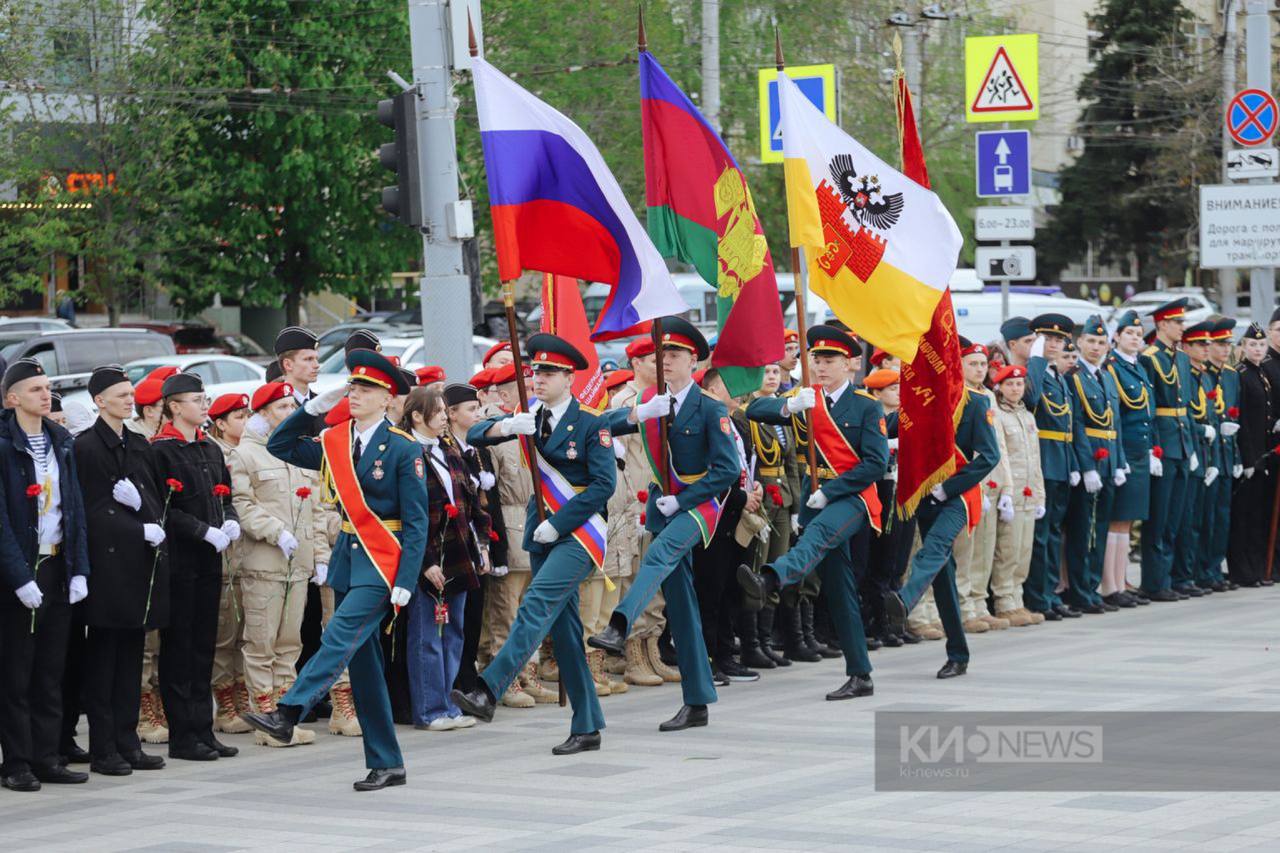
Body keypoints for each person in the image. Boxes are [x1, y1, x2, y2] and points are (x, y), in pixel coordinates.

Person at [244, 348, 428, 791]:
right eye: (352, 387)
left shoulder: (403, 448)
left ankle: (288, 711)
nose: (355, 394)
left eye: (366, 389)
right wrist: (310, 410)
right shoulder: (335, 440)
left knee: (337, 635)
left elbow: (418, 520)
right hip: (349, 557)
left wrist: (406, 580)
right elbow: (280, 446)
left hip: (383, 562)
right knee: (364, 671)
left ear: (387, 398)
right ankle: (388, 762)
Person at [451, 333, 615, 754]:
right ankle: (587, 724)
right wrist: (506, 425)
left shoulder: (591, 423)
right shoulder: (529, 416)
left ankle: (490, 687)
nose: (538, 379)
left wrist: (559, 523)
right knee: (564, 631)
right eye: (536, 371)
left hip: (578, 533)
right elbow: (474, 435)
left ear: (569, 378)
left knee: (536, 603)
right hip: (539, 530)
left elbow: (602, 486)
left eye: (548, 373)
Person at [585, 318, 738, 731]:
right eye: (662, 354)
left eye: (675, 355)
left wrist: (683, 499)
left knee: (659, 553)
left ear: (694, 360)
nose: (665, 361)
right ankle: (698, 700)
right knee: (683, 606)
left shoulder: (709, 407)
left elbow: (727, 470)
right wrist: (636, 412)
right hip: (661, 507)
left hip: (698, 505)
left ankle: (620, 624)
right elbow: (598, 427)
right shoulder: (652, 400)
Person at [739, 325, 887, 700]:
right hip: (814, 498)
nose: (820, 367)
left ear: (850, 364)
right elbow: (754, 409)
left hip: (854, 499)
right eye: (816, 360)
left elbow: (874, 463)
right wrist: (788, 406)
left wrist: (833, 491)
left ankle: (771, 579)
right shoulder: (805, 399)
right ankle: (860, 675)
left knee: (819, 537)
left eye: (830, 360)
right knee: (840, 592)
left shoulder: (867, 406)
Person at [0, 358, 92, 791]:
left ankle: (46, 756)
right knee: (17, 671)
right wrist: (19, 577)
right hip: (19, 570)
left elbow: (72, 507)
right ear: (12, 398)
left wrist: (79, 568)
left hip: (56, 565)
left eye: (47, 387)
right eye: (35, 388)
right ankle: (17, 761)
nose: (45, 394)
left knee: (51, 669)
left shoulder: (60, 442)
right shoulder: (4, 444)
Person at [74, 366, 170, 777]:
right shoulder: (87, 447)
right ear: (99, 400)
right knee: (104, 661)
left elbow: (152, 497)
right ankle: (104, 747)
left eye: (131, 393)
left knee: (132, 658)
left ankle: (128, 742)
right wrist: (135, 526)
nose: (130, 400)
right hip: (107, 566)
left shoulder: (137, 443)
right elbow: (91, 511)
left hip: (137, 564)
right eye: (120, 395)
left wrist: (146, 519)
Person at [885, 359, 1001, 679]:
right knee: (943, 577)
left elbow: (990, 456)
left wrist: (948, 488)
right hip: (924, 495)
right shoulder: (919, 399)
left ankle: (906, 600)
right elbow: (885, 427)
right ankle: (958, 654)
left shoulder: (976, 403)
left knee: (934, 548)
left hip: (958, 495)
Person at [227, 382, 327, 747]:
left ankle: (285, 716)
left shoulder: (296, 452)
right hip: (264, 562)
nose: (289, 412)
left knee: (290, 644)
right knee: (261, 643)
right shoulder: (245, 455)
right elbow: (242, 504)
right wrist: (276, 532)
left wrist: (318, 555)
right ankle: (263, 716)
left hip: (296, 564)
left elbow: (316, 508)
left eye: (290, 406)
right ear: (264, 412)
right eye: (282, 407)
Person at [150, 372, 242, 762]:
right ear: (174, 406)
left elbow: (225, 494)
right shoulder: (161, 451)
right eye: (196, 399)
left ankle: (204, 730)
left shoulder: (209, 449)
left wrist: (230, 518)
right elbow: (161, 509)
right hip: (181, 561)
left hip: (209, 560)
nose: (204, 405)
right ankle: (183, 736)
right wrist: (203, 530)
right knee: (179, 649)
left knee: (204, 645)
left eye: (205, 399)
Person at [398, 385, 492, 730]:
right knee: (427, 635)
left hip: (459, 553)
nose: (443, 418)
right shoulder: (407, 452)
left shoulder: (448, 450)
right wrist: (424, 562)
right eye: (437, 412)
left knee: (454, 633)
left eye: (443, 411)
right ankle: (429, 709)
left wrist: (481, 544)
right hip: (430, 558)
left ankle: (449, 705)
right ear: (416, 417)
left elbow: (473, 502)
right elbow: (409, 514)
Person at [607, 335, 680, 685]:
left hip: (660, 500)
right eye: (654, 360)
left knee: (657, 582)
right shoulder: (624, 401)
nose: (661, 366)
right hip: (633, 504)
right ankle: (634, 655)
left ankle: (652, 649)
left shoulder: (661, 400)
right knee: (636, 579)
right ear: (636, 363)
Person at [124, 365, 177, 745]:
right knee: (145, 642)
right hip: (138, 550)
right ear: (149, 409)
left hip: (168, 549)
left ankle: (156, 698)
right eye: (163, 405)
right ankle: (145, 706)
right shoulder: (139, 442)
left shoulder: (165, 440)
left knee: (161, 638)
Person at [695, 368, 758, 684]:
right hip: (714, 519)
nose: (737, 390)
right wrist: (739, 497)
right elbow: (709, 475)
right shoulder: (704, 423)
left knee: (733, 591)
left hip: (737, 521)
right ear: (711, 388)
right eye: (728, 385)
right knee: (710, 594)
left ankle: (726, 654)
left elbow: (744, 466)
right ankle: (706, 658)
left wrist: (753, 490)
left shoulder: (737, 425)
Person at [1062, 316, 1126, 614]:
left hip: (1109, 459)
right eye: (1090, 341)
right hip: (1090, 459)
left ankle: (1091, 586)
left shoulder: (1107, 376)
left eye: (1101, 342)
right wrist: (1086, 466)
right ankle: (1079, 590)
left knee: (1099, 527)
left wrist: (1120, 462)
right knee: (1082, 529)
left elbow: (1116, 423)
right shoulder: (1074, 377)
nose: (1096, 347)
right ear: (1079, 343)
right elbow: (1076, 424)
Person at [1023, 314, 1084, 620]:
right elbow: (1030, 397)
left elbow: (1068, 423)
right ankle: (1038, 598)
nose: (1055, 345)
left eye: (1059, 340)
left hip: (1060, 461)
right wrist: (1034, 361)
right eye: (1048, 339)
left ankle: (1050, 592)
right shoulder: (1035, 372)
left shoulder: (1058, 376)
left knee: (1054, 533)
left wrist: (1073, 463)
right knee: (1040, 534)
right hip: (1043, 461)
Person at [1138, 298, 1198, 602]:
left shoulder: (1182, 358)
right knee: (1159, 517)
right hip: (1163, 440)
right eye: (1178, 323)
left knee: (1176, 515)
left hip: (1182, 439)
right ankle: (1154, 581)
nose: (1182, 328)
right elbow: (1148, 407)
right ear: (1162, 324)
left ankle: (1174, 576)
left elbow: (1184, 403)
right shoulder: (1149, 358)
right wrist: (1152, 448)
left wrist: (1192, 445)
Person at [952, 339, 1013, 633]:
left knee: (984, 550)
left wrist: (1007, 487)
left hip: (990, 484)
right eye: (972, 364)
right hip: (968, 484)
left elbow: (999, 446)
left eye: (982, 364)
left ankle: (978, 603)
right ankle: (963, 607)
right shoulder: (959, 396)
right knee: (965, 551)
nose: (979, 369)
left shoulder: (987, 396)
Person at [742, 362, 800, 667]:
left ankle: (765, 640)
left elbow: (790, 465)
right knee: (756, 570)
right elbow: (749, 462)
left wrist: (796, 508)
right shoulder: (748, 414)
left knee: (775, 571)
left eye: (777, 373)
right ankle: (751, 643)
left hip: (783, 500)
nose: (773, 378)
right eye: (765, 372)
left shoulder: (784, 418)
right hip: (762, 498)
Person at [206, 392, 253, 737]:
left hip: (245, 558)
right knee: (224, 634)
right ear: (220, 424)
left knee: (243, 633)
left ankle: (241, 696)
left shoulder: (247, 451)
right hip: (223, 559)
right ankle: (225, 703)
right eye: (238, 417)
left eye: (247, 415)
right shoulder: (215, 454)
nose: (246, 422)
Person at [1103, 311, 1156, 608]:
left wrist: (1153, 450)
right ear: (1117, 337)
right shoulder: (1114, 368)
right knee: (1118, 518)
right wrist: (1119, 456)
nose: (1135, 339)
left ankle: (1122, 579)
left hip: (1141, 450)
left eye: (1138, 335)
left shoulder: (1139, 367)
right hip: (1124, 451)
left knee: (1129, 518)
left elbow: (1148, 412)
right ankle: (1111, 584)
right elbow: (1117, 418)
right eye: (1129, 334)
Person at [989, 365, 1045, 626]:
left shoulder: (1028, 417)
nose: (1015, 389)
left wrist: (1040, 496)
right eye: (1010, 384)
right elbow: (1002, 457)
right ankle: (1004, 601)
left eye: (1020, 384)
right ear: (999, 387)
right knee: (1007, 550)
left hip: (1029, 491)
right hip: (1010, 490)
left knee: (1024, 551)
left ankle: (1017, 599)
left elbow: (1036, 459)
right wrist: (1006, 491)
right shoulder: (998, 415)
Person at [1171, 321, 1220, 598]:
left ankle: (1194, 573)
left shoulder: (1203, 375)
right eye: (1200, 344)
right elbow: (1186, 415)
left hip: (1205, 451)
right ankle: (1182, 575)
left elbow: (1210, 413)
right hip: (1190, 446)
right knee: (1186, 517)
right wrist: (1201, 432)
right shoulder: (1186, 375)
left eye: (1207, 344)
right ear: (1186, 347)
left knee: (1200, 516)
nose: (1206, 349)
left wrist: (1212, 458)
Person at [1229, 323, 1275, 586]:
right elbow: (1243, 420)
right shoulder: (1242, 374)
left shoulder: (1261, 374)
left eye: (1261, 345)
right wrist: (1247, 459)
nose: (1258, 349)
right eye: (1253, 345)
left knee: (1257, 514)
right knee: (1243, 516)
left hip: (1262, 454)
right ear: (1243, 347)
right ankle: (1242, 570)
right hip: (1250, 456)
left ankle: (1256, 568)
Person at [1202, 318, 1240, 592]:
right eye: (1219, 344)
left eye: (1228, 344)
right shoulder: (1202, 373)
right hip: (1208, 454)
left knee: (1223, 515)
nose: (1225, 349)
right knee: (1206, 515)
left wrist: (1236, 457)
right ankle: (1202, 570)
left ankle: (1215, 567)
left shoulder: (1230, 374)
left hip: (1227, 453)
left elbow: (1234, 415)